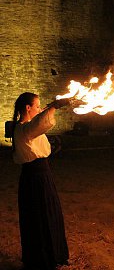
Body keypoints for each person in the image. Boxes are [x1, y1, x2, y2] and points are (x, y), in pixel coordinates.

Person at [12, 92, 70, 269]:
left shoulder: (28, 127)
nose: (40, 108)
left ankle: (54, 254)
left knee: (50, 214)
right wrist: (54, 106)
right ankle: (43, 259)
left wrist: (49, 109)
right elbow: (39, 124)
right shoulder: (23, 128)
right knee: (39, 217)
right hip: (35, 178)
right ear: (28, 108)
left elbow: (41, 125)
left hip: (41, 174)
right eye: (37, 106)